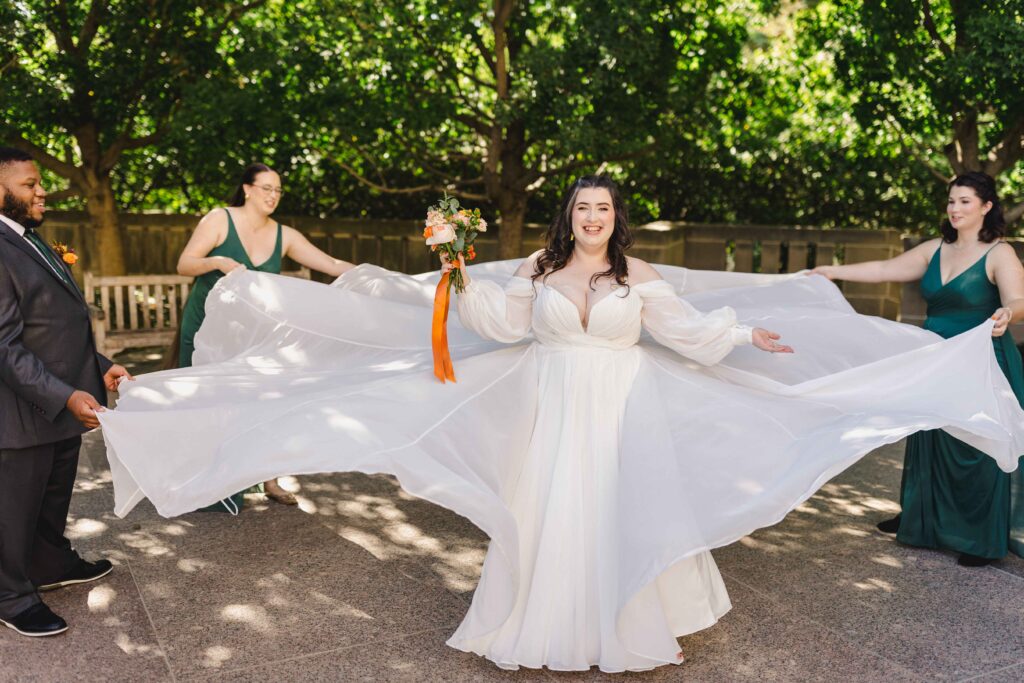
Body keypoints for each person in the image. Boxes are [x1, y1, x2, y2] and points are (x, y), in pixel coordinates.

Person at [97, 175, 1024, 672]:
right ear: (568, 217)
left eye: (604, 209)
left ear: (616, 220)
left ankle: (624, 627)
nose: (592, 219)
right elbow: (495, 325)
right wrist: (457, 272)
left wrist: (748, 330)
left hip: (618, 407)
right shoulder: (535, 277)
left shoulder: (639, 278)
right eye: (582, 208)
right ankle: (533, 625)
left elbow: (689, 333)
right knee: (549, 515)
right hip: (553, 407)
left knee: (614, 509)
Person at [811, 171, 1024, 567]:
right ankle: (921, 519)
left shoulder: (1000, 253)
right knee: (931, 435)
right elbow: (884, 269)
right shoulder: (935, 248)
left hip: (980, 359)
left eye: (965, 201)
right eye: (951, 201)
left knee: (975, 446)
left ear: (987, 207)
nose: (955, 208)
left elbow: (1018, 298)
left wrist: (1008, 313)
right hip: (935, 356)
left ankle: (976, 537)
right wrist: (833, 271)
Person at [0, 147, 132, 637]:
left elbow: (55, 327)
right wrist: (65, 395)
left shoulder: (28, 239)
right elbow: (5, 345)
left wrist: (99, 368)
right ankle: (11, 594)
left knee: (51, 499)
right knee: (14, 510)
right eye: (29, 184)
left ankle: (49, 565)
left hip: (60, 403)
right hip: (19, 410)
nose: (42, 191)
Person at [175, 162, 354, 506]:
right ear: (247, 189)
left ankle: (269, 479)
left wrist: (375, 277)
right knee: (208, 403)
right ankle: (203, 479)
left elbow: (330, 265)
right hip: (206, 328)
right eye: (266, 188)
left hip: (251, 333)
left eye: (278, 190)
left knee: (264, 399)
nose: (273, 196)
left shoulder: (283, 235)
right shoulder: (218, 219)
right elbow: (184, 264)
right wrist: (217, 262)